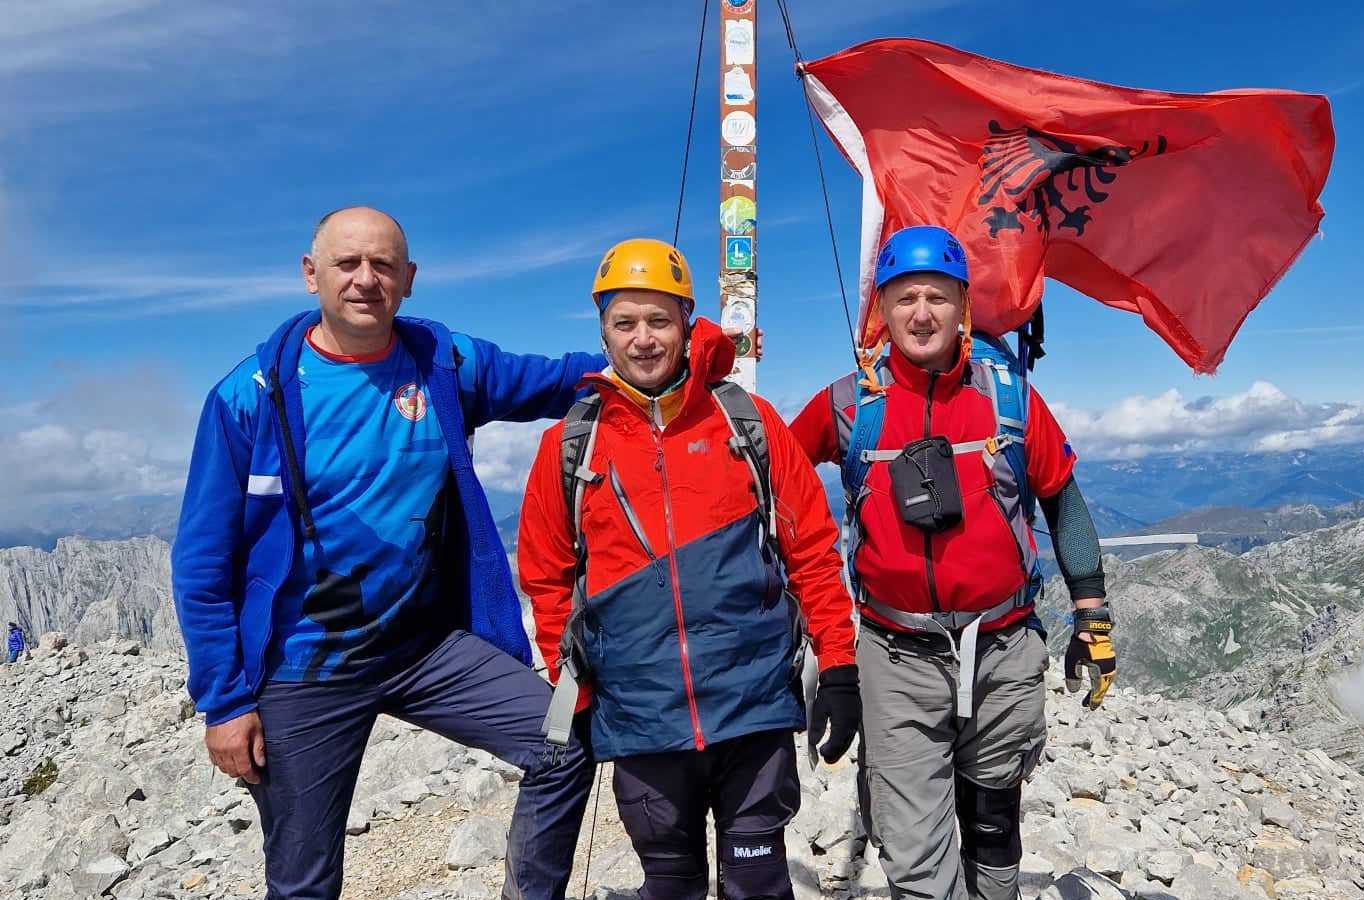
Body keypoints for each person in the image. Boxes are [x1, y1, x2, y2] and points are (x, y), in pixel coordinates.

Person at [172, 206, 605, 900]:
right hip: (301, 669)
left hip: (425, 650)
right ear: (311, 275)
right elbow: (201, 563)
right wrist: (222, 703)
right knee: (303, 882)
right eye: (348, 264)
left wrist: (672, 347)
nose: (365, 280)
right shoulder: (249, 397)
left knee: (564, 745)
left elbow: (563, 380)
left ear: (408, 279)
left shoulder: (445, 363)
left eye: (382, 265)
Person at [518, 238, 861, 900]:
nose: (642, 339)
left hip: (753, 706)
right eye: (625, 322)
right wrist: (577, 691)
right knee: (670, 880)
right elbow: (548, 578)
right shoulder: (569, 445)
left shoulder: (746, 423)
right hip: (640, 714)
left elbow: (813, 551)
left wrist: (840, 668)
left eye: (658, 320)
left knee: (758, 878)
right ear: (603, 331)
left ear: (686, 323)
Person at [789, 226, 1116, 900]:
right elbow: (773, 475)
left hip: (1003, 649)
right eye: (905, 298)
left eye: (938, 297)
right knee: (913, 851)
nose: (921, 313)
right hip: (896, 654)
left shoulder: (1009, 396)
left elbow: (1061, 497)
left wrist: (1092, 612)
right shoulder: (848, 406)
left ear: (963, 307)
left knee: (993, 821)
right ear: (882, 311)